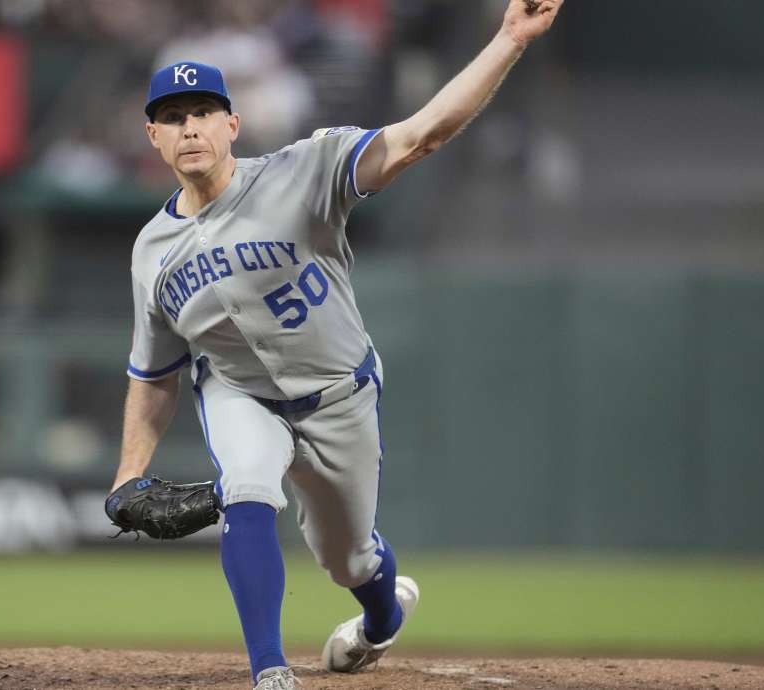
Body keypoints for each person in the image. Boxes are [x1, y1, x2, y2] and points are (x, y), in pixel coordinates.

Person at [109, 2, 564, 688]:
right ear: (153, 136)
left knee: (347, 561)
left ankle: (381, 618)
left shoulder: (305, 170)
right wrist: (127, 473)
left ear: (233, 123)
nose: (190, 126)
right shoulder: (152, 251)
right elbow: (155, 374)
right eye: (173, 116)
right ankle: (269, 671)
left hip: (338, 396)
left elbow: (420, 137)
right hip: (240, 393)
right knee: (247, 486)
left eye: (203, 111)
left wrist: (508, 38)